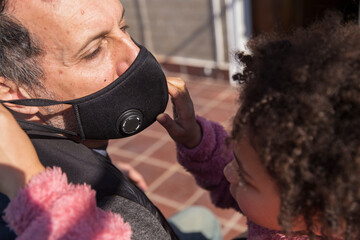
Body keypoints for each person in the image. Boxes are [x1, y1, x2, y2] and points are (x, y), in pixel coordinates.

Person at [0, 0, 221, 239]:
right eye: (93, 51)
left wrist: (101, 165)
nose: (136, 54)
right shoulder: (108, 215)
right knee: (203, 218)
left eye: (123, 27)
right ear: (10, 90)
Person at [158, 13, 360, 239]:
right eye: (235, 157)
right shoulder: (282, 204)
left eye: (244, 177)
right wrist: (195, 138)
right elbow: (241, 182)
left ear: (318, 213)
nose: (227, 172)